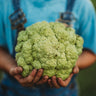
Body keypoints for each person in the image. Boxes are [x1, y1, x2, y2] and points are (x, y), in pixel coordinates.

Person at [0, 0, 96, 96]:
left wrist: (69, 66)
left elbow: (91, 52)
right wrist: (11, 66)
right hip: (13, 90)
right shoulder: (5, 4)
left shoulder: (82, 5)